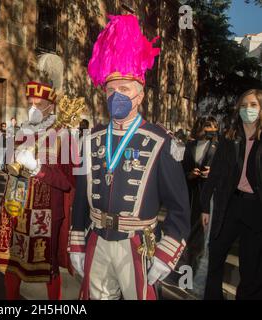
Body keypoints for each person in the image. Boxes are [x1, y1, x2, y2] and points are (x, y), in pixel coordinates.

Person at [69, 14, 190, 300]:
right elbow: (80, 199)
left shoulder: (161, 142)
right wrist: (76, 242)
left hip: (137, 244)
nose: (116, 96)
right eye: (111, 90)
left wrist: (165, 254)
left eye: (124, 89)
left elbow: (180, 209)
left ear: (140, 95)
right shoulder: (92, 139)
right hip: (97, 238)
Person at [0, 80, 76, 300]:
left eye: (38, 105)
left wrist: (38, 168)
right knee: (13, 261)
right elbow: (10, 166)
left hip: (45, 214)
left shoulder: (64, 135)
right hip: (15, 207)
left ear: (50, 106)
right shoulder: (22, 131)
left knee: (49, 267)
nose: (32, 109)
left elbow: (68, 182)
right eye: (30, 104)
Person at [201, 89, 262, 300]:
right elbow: (215, 173)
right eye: (244, 105)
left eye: (253, 105)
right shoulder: (230, 137)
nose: (248, 109)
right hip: (229, 204)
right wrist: (204, 206)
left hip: (256, 209)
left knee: (251, 267)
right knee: (215, 256)